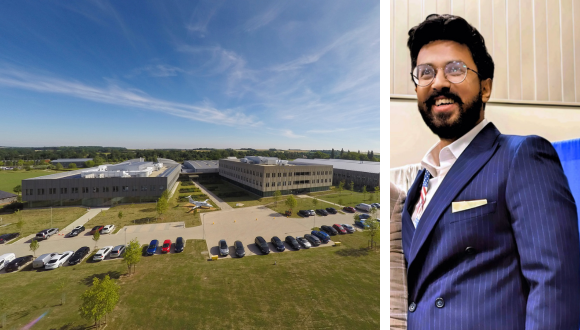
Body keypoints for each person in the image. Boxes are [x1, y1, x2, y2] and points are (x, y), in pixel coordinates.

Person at [402, 14, 580, 330]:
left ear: (485, 88)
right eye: (425, 72)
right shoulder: (420, 183)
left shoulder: (521, 156)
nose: (438, 82)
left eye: (455, 69)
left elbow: (555, 282)